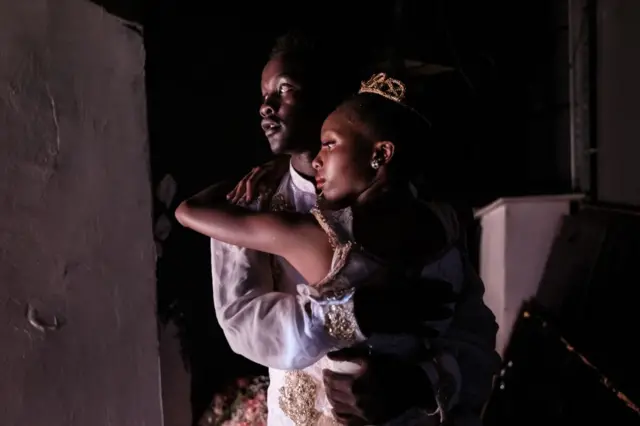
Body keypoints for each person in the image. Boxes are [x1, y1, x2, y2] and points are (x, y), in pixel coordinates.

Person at [182, 32, 499, 425]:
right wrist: (348, 315)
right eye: (263, 94)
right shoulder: (253, 203)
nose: (266, 107)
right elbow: (241, 321)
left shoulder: (421, 209)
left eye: (285, 89)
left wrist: (418, 383)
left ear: (327, 93)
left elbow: (471, 331)